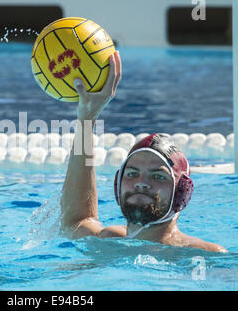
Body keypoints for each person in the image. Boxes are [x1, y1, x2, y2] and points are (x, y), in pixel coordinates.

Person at [60, 51, 227, 253]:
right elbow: (75, 221)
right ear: (117, 184)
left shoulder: (204, 254)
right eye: (132, 173)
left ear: (182, 192)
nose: (141, 182)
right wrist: (87, 119)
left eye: (158, 176)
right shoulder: (108, 240)